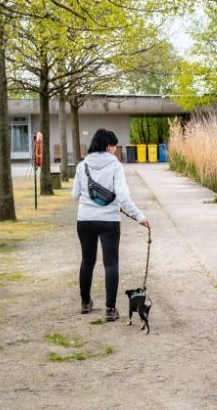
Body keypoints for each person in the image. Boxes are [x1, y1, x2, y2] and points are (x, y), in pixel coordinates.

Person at [71, 128, 150, 322]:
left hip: (85, 220)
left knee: (87, 262)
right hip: (109, 221)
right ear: (108, 146)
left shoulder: (82, 166)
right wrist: (139, 216)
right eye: (114, 145)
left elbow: (75, 195)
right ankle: (110, 309)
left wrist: (90, 202)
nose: (115, 149)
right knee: (111, 263)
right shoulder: (115, 166)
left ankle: (85, 303)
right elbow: (122, 196)